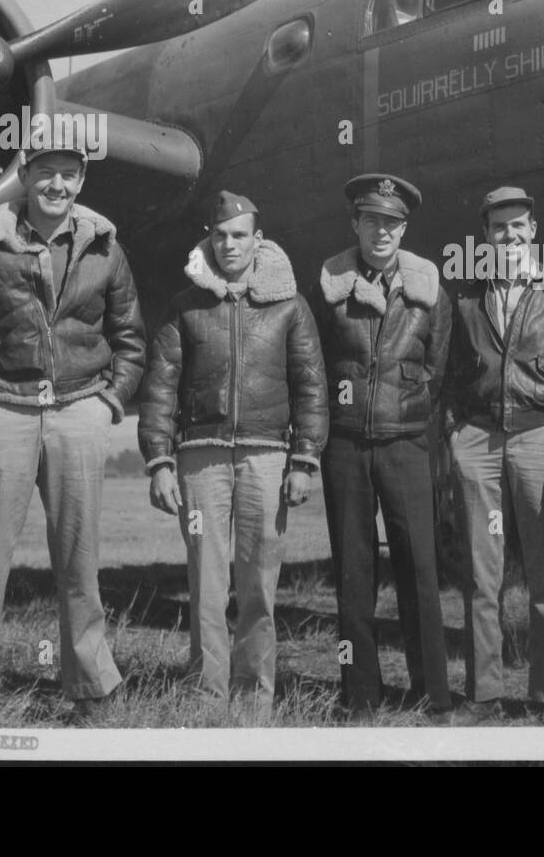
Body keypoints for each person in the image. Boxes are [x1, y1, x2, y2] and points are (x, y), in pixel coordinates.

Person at [0, 135, 145, 720]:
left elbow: (130, 336)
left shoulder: (105, 248)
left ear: (81, 180)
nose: (56, 185)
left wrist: (110, 402)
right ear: (25, 173)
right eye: (45, 172)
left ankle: (90, 691)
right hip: (1, 410)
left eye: (68, 173)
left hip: (78, 411)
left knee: (79, 565)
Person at [138, 191, 328, 714]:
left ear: (257, 240)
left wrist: (305, 459)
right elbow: (160, 389)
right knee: (206, 582)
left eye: (239, 235)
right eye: (220, 235)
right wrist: (159, 461)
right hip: (200, 459)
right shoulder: (185, 306)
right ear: (210, 239)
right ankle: (206, 695)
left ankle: (253, 698)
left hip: (267, 458)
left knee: (259, 583)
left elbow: (311, 385)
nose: (229, 245)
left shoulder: (290, 306)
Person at [310, 174, 453, 719]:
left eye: (391, 222)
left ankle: (433, 696)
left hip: (406, 444)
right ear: (355, 224)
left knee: (420, 570)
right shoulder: (330, 287)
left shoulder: (429, 291)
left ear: (404, 228)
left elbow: (436, 369)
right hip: (345, 447)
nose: (381, 231)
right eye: (371, 220)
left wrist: (407, 415)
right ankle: (360, 697)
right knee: (353, 574)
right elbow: (317, 366)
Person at [442, 186, 544, 725]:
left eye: (519, 225)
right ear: (485, 236)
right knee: (482, 574)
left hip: (539, 436)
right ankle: (483, 694)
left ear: (533, 231)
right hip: (478, 439)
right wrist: (455, 432)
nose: (510, 235)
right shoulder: (465, 299)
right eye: (499, 227)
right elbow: (448, 372)